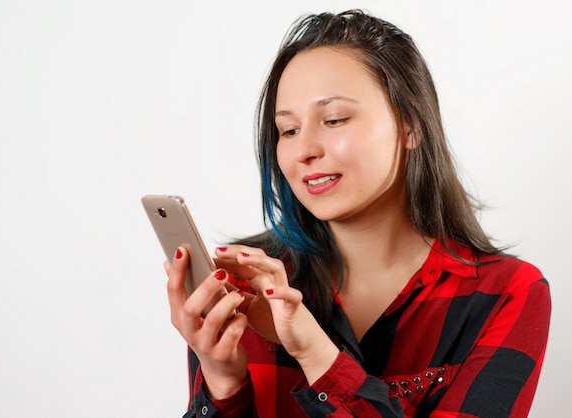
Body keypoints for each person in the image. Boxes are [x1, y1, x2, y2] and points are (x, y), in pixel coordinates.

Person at [164, 10, 551, 418]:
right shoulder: (247, 287)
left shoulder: (507, 292)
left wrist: (314, 352)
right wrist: (222, 381)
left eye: (334, 119)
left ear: (410, 126)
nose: (303, 151)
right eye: (288, 130)